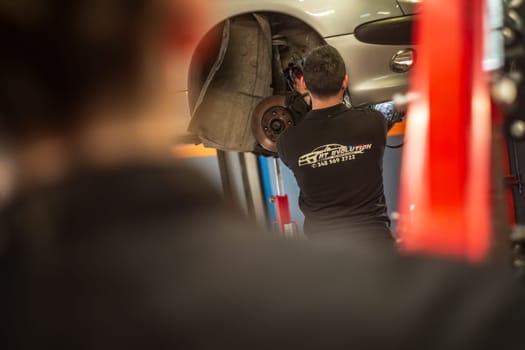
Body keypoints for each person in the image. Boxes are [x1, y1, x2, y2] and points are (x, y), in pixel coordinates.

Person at [2, 1, 525, 349]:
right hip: (367, 253)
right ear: (184, 29)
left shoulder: (291, 143)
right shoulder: (442, 314)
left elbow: (275, 140)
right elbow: (391, 111)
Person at [277, 45, 393, 245]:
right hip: (378, 250)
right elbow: (393, 109)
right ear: (345, 81)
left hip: (328, 259)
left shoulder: (288, 142)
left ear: (304, 83)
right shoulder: (374, 123)